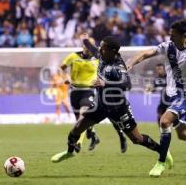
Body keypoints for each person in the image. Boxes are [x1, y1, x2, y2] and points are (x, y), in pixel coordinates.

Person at [51, 36, 173, 170]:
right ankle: (69, 152)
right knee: (76, 128)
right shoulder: (102, 54)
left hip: (118, 108)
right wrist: (85, 39)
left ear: (112, 51)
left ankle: (163, 152)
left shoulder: (118, 66)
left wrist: (105, 83)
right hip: (101, 105)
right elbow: (92, 47)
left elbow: (127, 84)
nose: (100, 50)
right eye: (100, 47)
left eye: (103, 48)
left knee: (137, 139)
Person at [127, 20, 186, 177]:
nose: (170, 37)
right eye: (170, 34)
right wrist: (131, 62)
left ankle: (161, 162)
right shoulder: (168, 47)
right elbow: (146, 53)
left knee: (164, 121)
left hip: (185, 95)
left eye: (173, 35)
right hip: (171, 94)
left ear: (184, 35)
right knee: (183, 134)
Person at [57, 33, 127, 153]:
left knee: (86, 115)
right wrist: (66, 77)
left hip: (90, 90)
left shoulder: (99, 58)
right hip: (75, 91)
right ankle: (93, 135)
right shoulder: (73, 56)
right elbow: (61, 68)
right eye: (86, 45)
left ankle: (79, 144)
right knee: (81, 121)